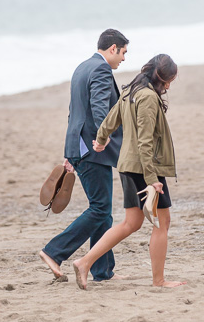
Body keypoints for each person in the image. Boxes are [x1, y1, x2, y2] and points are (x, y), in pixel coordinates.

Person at [72, 54, 185, 290]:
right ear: (164, 79)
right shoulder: (147, 98)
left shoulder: (130, 91)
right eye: (170, 80)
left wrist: (101, 140)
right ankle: (159, 281)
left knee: (131, 223)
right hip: (144, 168)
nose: (169, 86)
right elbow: (145, 142)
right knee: (161, 224)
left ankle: (84, 262)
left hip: (127, 166)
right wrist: (153, 180)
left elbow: (110, 120)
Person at [38, 29, 128, 282]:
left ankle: (102, 271)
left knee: (103, 210)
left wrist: (70, 152)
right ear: (113, 48)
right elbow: (99, 107)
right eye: (123, 53)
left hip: (79, 146)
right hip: (93, 149)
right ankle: (53, 252)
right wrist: (102, 137)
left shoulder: (81, 67)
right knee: (100, 209)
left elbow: (74, 112)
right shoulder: (100, 70)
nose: (123, 59)